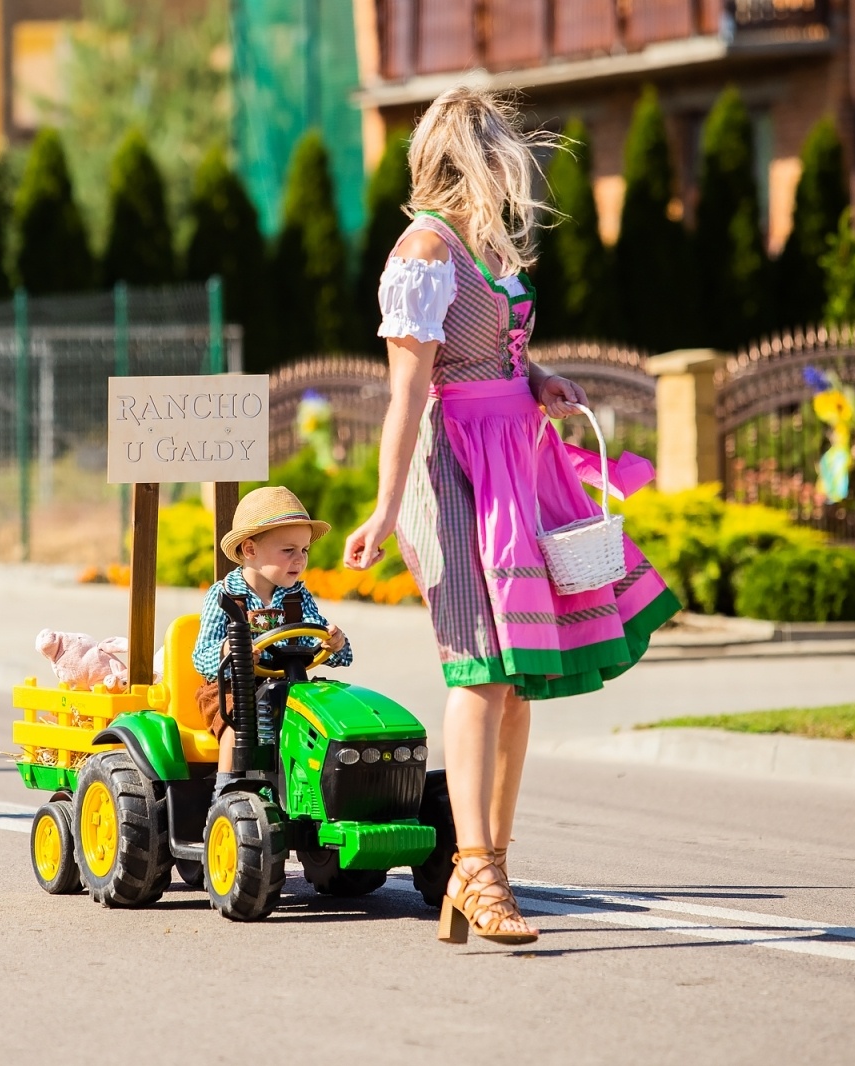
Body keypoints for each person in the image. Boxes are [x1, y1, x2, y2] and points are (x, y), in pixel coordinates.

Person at [342, 86, 679, 945]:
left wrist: (537, 380)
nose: (515, 174)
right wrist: (383, 511)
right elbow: (409, 394)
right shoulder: (423, 250)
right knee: (479, 670)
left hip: (512, 459)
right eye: (502, 158)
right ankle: (474, 866)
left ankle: (488, 864)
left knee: (518, 677)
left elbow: (491, 349)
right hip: (452, 469)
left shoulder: (479, 248)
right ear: (468, 162)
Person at [192, 486, 351, 792]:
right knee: (239, 723)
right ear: (250, 550)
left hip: (287, 681)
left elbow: (314, 637)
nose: (300, 559)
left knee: (322, 713)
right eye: (288, 550)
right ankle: (225, 794)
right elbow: (201, 655)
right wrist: (229, 650)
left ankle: (319, 790)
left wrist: (333, 645)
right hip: (231, 687)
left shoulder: (297, 596)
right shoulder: (225, 595)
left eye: (304, 550)